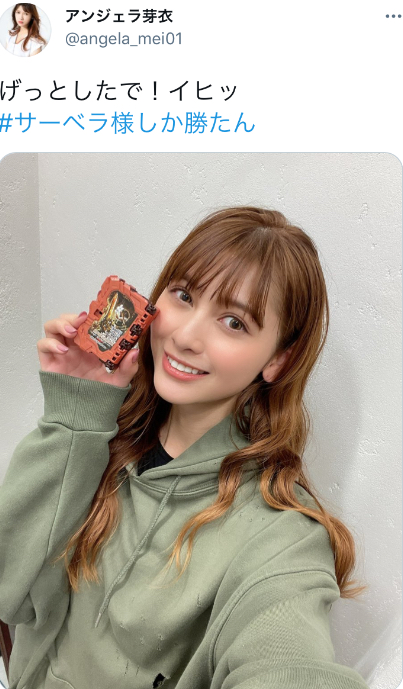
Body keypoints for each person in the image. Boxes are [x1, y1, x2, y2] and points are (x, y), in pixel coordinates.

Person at [0, 207, 370, 688]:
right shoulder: (102, 439)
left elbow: (289, 662)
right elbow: (8, 589)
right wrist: (74, 416)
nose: (185, 336)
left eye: (234, 322)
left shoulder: (282, 535)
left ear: (278, 360)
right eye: (184, 295)